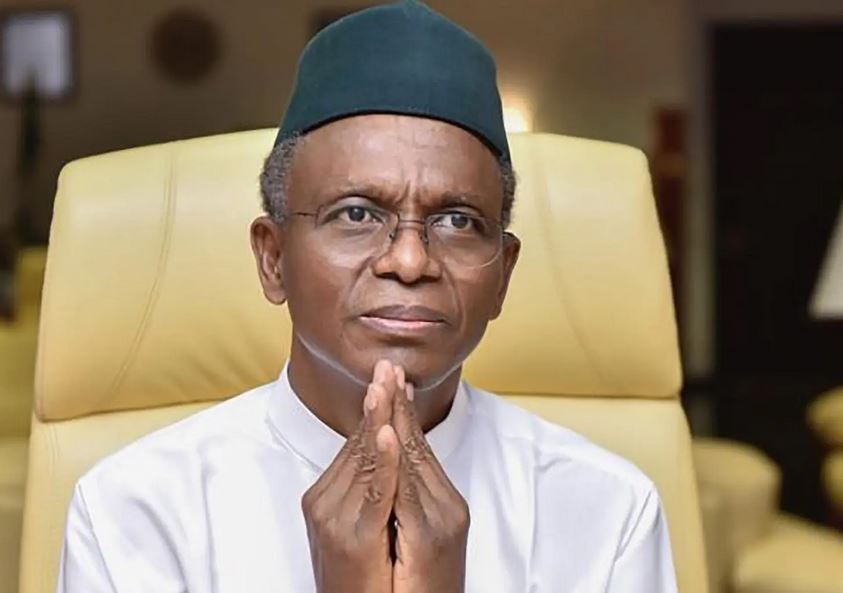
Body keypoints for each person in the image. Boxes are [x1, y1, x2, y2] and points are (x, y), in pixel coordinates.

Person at [57, 2, 677, 591]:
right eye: (357, 213)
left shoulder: (606, 514)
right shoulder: (136, 514)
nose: (409, 261)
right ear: (273, 258)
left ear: (503, 276)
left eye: (457, 221)